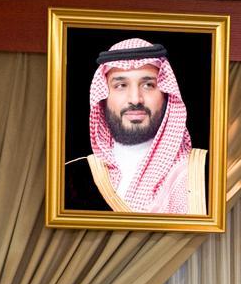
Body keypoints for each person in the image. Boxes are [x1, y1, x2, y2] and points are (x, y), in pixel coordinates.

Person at [64, 37, 207, 215]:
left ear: (166, 94)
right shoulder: (71, 177)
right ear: (103, 97)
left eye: (148, 85)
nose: (135, 99)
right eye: (121, 85)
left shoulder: (203, 173)